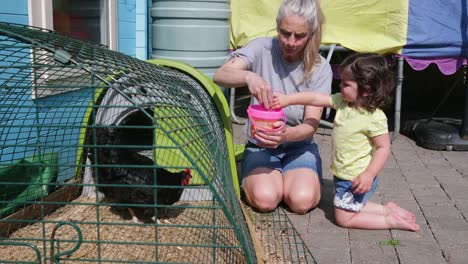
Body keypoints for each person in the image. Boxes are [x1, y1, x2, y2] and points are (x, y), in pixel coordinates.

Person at [271, 53, 420, 231]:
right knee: (347, 207)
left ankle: (389, 221)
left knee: (344, 219)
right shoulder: (343, 102)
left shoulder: (374, 117)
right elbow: (315, 98)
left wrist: (369, 174)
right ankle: (386, 209)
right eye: (341, 81)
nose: (340, 86)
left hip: (357, 178)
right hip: (344, 175)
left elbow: (383, 147)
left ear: (366, 90)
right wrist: (288, 100)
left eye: (346, 84)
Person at [213, 0, 332, 213]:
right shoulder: (261, 47)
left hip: (299, 146)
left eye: (300, 36)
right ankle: (264, 174)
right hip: (261, 144)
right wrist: (248, 76)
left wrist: (285, 135)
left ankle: (291, 176)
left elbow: (310, 126)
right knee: (265, 200)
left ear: (311, 33)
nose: (291, 42)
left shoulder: (320, 67)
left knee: (301, 201)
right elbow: (220, 75)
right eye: (285, 33)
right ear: (277, 27)